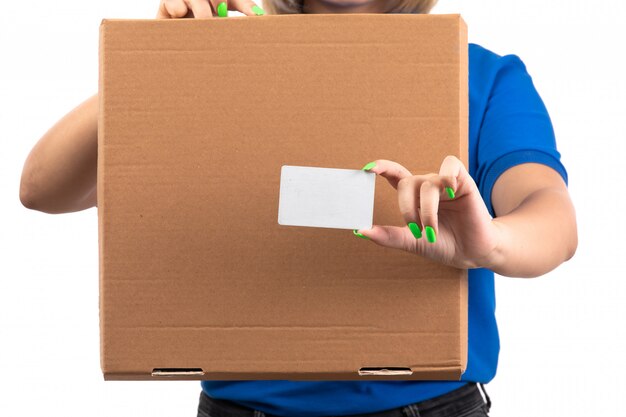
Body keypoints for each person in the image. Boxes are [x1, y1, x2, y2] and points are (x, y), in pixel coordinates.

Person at [19, 0, 578, 416]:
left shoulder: (480, 73)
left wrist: (492, 243)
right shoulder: (218, 61)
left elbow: (549, 209)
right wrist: (158, 60)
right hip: (242, 407)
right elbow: (42, 189)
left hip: (429, 405)